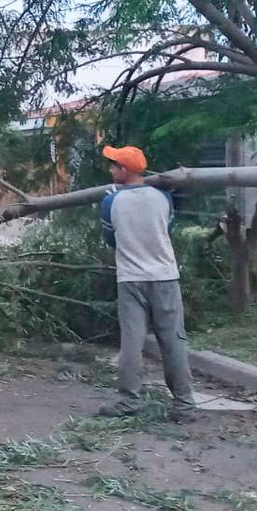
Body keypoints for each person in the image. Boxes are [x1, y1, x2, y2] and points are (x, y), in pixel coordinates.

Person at [97, 144, 198, 423]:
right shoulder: (164, 198)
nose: (110, 169)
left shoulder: (110, 202)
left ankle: (129, 401)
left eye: (114, 165)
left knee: (131, 341)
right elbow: (167, 230)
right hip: (165, 277)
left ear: (125, 170)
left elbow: (110, 240)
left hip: (131, 279)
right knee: (173, 340)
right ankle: (184, 404)